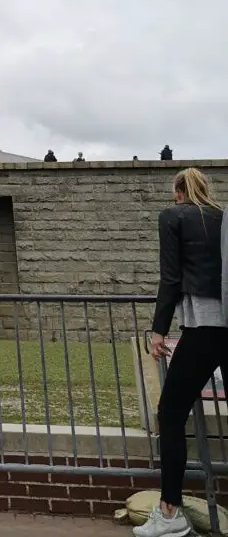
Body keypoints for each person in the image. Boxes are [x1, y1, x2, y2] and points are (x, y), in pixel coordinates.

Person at [133, 168, 227, 537]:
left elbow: (170, 276)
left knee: (171, 414)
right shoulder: (222, 218)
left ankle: (170, 512)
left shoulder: (173, 216)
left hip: (204, 329)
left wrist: (158, 331)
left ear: (177, 192)